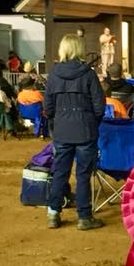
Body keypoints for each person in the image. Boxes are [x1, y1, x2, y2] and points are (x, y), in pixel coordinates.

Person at [43, 33, 105, 230]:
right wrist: (92, 122)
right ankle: (84, 217)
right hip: (85, 130)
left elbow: (48, 107)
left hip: (62, 130)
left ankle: (53, 214)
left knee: (60, 172)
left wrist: (56, 122)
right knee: (83, 175)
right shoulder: (89, 74)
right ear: (79, 49)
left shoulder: (53, 75)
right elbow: (99, 106)